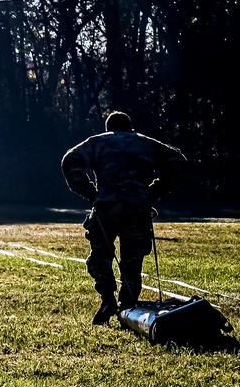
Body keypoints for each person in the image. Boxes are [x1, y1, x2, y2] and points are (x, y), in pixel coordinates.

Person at [61, 110, 187, 324]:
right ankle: (128, 306)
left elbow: (69, 160)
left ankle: (107, 297)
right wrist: (154, 191)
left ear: (108, 128)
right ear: (130, 128)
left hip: (106, 204)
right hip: (137, 205)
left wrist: (90, 192)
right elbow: (178, 161)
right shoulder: (145, 143)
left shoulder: (97, 142)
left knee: (100, 255)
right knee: (132, 258)